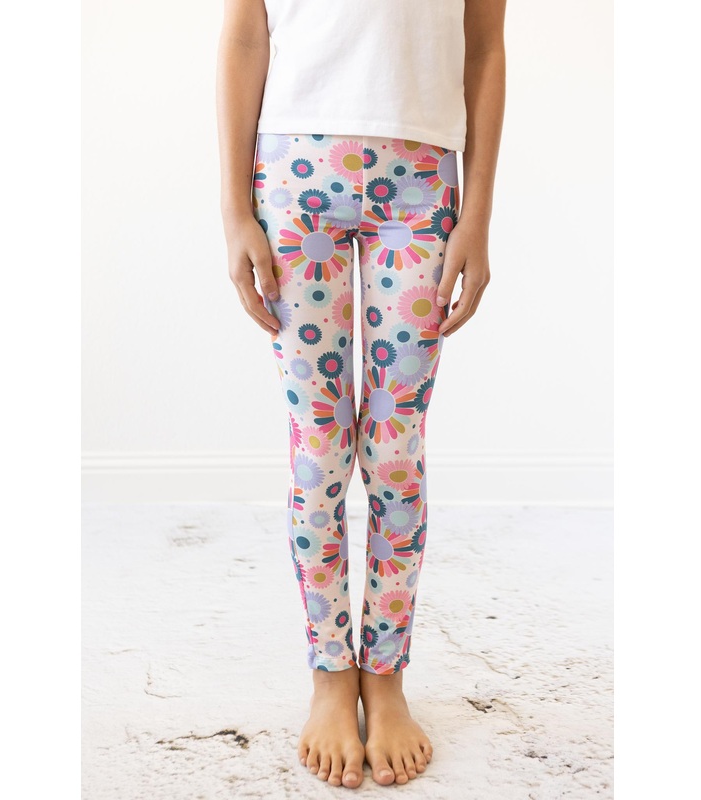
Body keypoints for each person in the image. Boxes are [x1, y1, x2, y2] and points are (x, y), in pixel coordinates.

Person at [216, 0, 506, 788]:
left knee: (395, 453)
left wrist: (478, 214)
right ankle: (329, 674)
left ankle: (386, 675)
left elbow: (484, 46)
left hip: (421, 187)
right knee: (319, 454)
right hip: (293, 177)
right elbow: (244, 33)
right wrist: (235, 210)